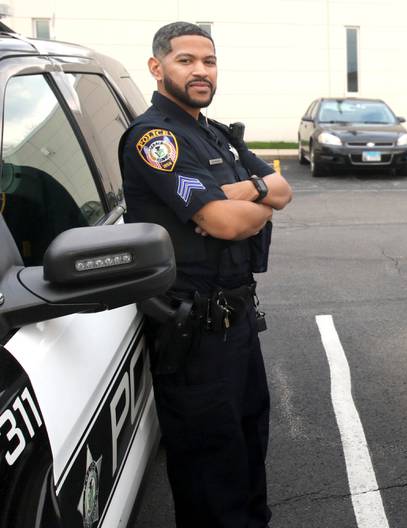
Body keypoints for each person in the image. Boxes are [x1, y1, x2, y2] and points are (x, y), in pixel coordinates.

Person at [119, 21, 292, 527]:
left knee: (248, 449)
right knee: (210, 476)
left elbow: (283, 189)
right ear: (157, 68)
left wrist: (246, 194)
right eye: (186, 61)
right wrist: (250, 197)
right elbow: (221, 222)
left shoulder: (212, 132)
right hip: (194, 337)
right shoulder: (157, 138)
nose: (200, 71)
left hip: (238, 325)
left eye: (208, 61)